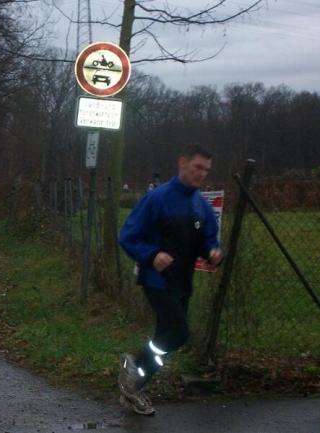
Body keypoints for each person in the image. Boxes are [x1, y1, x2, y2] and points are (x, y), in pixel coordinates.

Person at [117, 145, 223, 415]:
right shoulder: (158, 198)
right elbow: (128, 236)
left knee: (165, 336)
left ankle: (134, 388)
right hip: (156, 279)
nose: (202, 173)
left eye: (206, 170)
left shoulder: (200, 204)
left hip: (183, 281)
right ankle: (134, 365)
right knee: (178, 333)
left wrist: (213, 251)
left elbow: (208, 239)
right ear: (182, 164)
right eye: (197, 167)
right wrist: (152, 255)